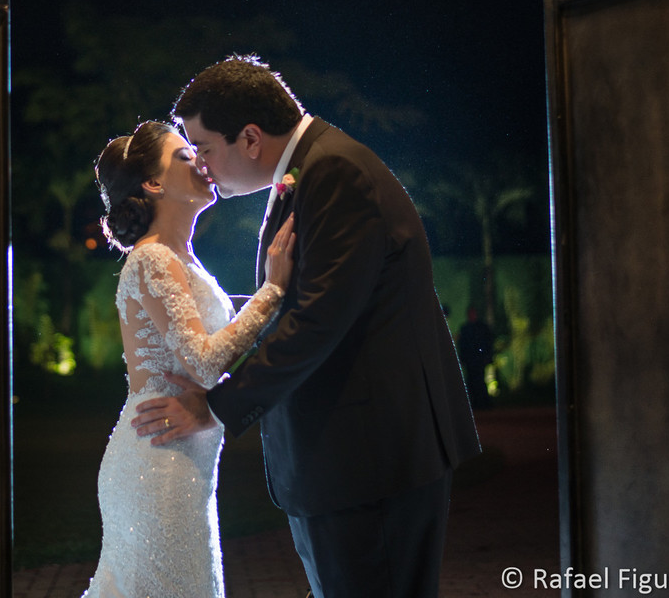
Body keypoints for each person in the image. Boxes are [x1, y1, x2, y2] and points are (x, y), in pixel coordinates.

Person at [132, 55, 482, 597]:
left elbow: (317, 320)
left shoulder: (335, 172)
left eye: (204, 147)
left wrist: (215, 407)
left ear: (251, 138)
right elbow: (312, 298)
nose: (202, 164)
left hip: (369, 460)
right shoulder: (316, 168)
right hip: (350, 461)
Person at [81, 120, 296, 597]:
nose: (201, 161)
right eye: (184, 156)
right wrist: (274, 289)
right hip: (157, 463)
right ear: (153, 184)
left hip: (182, 459)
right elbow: (203, 363)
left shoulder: (182, 259)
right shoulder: (152, 259)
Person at [458, 307, 495, 410]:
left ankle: (482, 403)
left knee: (479, 380)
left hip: (478, 360)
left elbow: (487, 342)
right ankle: (476, 404)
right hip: (471, 360)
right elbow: (463, 345)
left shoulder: (480, 328)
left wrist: (486, 356)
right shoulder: (466, 328)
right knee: (472, 381)